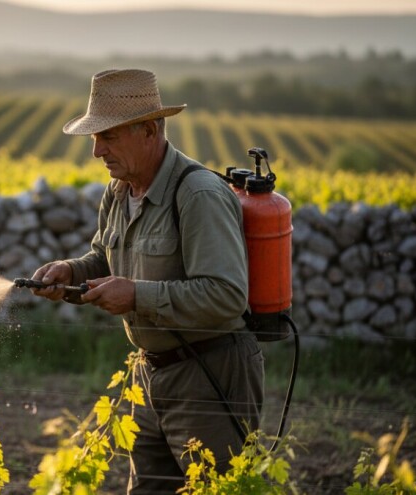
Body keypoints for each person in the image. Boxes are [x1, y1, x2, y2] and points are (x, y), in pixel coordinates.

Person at [30, 69, 264, 494]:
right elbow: (104, 258)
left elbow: (227, 296)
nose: (97, 151)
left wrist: (136, 295)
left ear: (150, 131)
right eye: (95, 138)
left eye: (108, 137)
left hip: (209, 374)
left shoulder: (198, 195)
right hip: (149, 374)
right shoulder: (120, 190)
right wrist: (71, 272)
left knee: (220, 489)